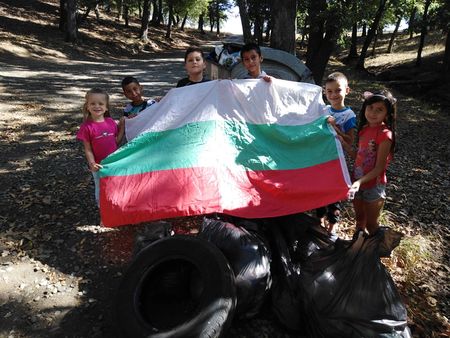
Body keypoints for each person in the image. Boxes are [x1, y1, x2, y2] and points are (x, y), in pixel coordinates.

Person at [343, 89, 397, 235]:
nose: (373, 113)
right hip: (357, 182)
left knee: (372, 225)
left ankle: (376, 252)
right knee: (360, 219)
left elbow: (379, 167)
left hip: (373, 186)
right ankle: (359, 248)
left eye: (379, 110)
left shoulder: (385, 135)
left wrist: (359, 182)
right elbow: (360, 157)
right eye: (370, 107)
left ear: (387, 114)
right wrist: (342, 142)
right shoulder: (364, 130)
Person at [318, 72, 357, 233]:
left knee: (334, 193)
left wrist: (336, 128)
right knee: (319, 189)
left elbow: (349, 141)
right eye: (329, 91)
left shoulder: (349, 115)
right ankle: (319, 219)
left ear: (347, 90)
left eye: (338, 90)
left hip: (337, 161)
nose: (333, 95)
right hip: (321, 159)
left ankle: (333, 223)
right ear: (324, 92)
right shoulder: (324, 109)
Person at [76, 88, 124, 207]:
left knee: (114, 185)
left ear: (106, 107)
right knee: (100, 187)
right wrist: (92, 163)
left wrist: (122, 126)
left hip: (113, 163)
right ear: (87, 106)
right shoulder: (86, 127)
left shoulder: (111, 122)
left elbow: (116, 142)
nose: (97, 106)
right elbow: (87, 149)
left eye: (101, 103)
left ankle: (115, 207)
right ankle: (103, 211)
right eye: (92, 103)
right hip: (98, 165)